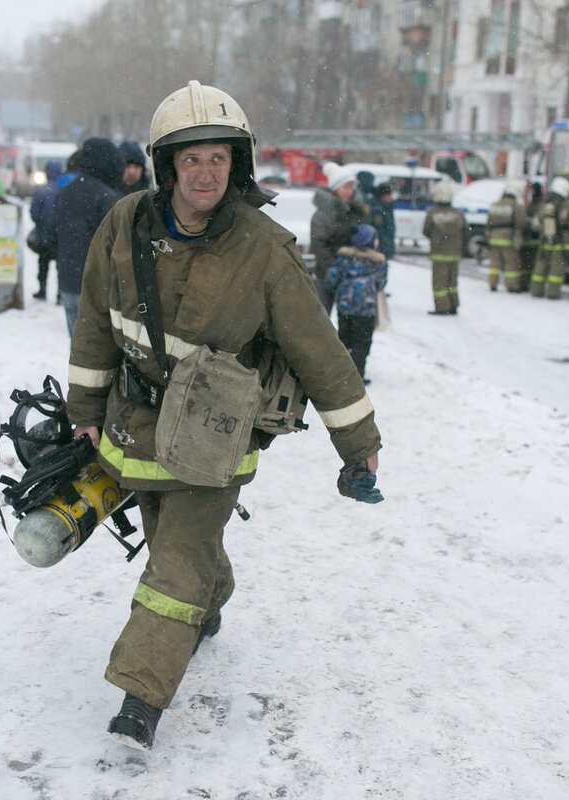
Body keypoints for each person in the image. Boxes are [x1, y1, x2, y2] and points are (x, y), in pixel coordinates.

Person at [63, 80, 383, 752]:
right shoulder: (122, 225)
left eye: (219, 159)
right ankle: (212, 595)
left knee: (174, 566)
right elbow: (94, 318)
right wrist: (84, 409)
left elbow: (318, 350)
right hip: (135, 429)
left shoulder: (264, 248)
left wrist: (357, 441)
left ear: (236, 164)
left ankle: (140, 701)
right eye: (191, 159)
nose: (206, 173)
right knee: (173, 544)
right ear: (165, 166)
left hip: (215, 437)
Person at [49, 138, 122, 335]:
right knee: (97, 352)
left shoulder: (64, 193)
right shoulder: (107, 197)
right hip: (97, 286)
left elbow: (51, 237)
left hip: (67, 281)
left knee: (76, 346)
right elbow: (117, 246)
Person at [325, 223, 387, 379]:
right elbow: (381, 283)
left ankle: (342, 373)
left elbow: (332, 278)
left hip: (345, 308)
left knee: (345, 339)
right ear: (370, 241)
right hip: (365, 311)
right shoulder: (377, 262)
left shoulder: (344, 258)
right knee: (362, 343)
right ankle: (358, 375)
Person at [310, 162, 367, 314]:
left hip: (352, 275)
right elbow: (319, 244)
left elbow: (364, 238)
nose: (349, 191)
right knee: (321, 319)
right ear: (335, 188)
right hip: (326, 273)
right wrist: (333, 268)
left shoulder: (357, 212)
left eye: (351, 187)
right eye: (345, 187)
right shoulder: (323, 214)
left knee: (349, 324)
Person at [422, 181, 471, 315]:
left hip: (439, 254)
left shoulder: (432, 213)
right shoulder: (458, 213)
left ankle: (442, 307)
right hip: (454, 254)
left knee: (440, 282)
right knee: (452, 281)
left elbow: (426, 231)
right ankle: (453, 304)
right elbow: (466, 230)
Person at [530, 176, 569, 300]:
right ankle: (553, 293)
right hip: (562, 242)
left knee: (540, 267)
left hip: (545, 240)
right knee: (556, 269)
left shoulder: (545, 204)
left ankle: (536, 290)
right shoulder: (568, 205)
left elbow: (538, 222)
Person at [28, 159, 62, 300]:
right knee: (61, 267)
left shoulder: (40, 192)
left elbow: (34, 214)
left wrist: (42, 224)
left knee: (43, 264)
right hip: (60, 237)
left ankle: (42, 291)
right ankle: (60, 294)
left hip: (44, 236)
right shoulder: (64, 190)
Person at [485, 180, 527, 292]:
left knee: (494, 263)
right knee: (511, 264)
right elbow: (521, 223)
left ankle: (492, 283)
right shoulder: (515, 206)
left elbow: (488, 223)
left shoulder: (494, 205)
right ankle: (511, 285)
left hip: (494, 238)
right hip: (508, 239)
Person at [515, 181, 543, 293]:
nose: (531, 192)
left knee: (532, 263)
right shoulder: (532, 203)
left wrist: (530, 222)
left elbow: (538, 220)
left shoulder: (540, 204)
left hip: (535, 238)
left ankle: (530, 285)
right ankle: (524, 284)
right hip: (528, 238)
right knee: (525, 263)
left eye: (533, 190)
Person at [366, 182, 396, 263]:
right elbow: (379, 231)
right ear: (383, 195)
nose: (391, 197)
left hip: (385, 247)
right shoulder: (378, 210)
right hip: (381, 249)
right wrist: (385, 248)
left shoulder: (386, 207)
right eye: (389, 194)